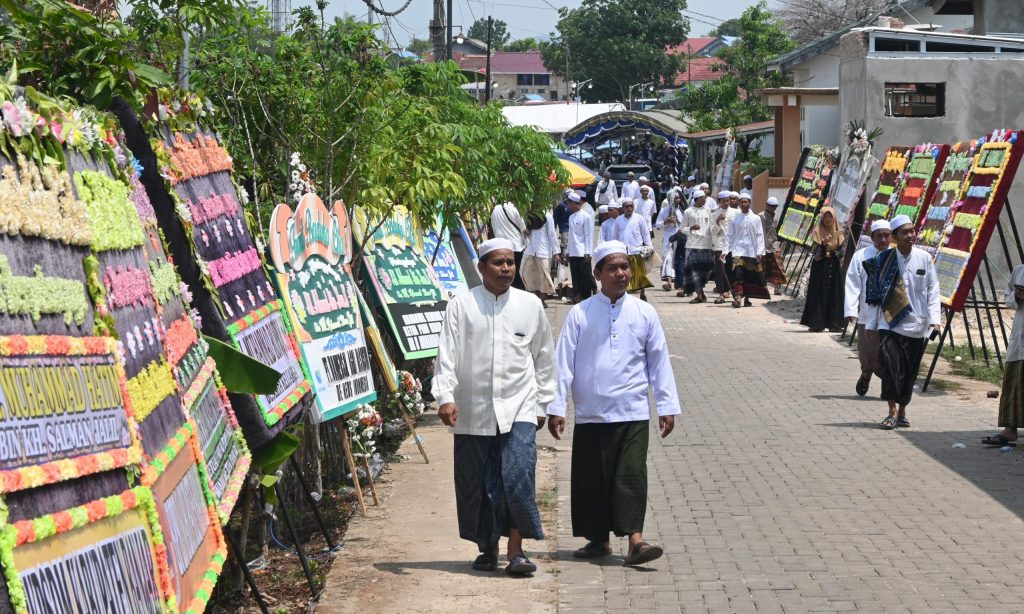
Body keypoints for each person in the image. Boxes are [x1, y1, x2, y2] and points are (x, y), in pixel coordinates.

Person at [547, 240, 681, 567]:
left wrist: (666, 406)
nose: (621, 274)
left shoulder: (645, 312)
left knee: (630, 475)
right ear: (597, 274)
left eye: (625, 267)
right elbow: (562, 363)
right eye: (613, 268)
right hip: (591, 412)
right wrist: (555, 407)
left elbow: (658, 361)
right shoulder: (580, 314)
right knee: (592, 479)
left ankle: (636, 541)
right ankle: (598, 541)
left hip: (632, 410)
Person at [432, 238, 556, 575]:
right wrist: (445, 396)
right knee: (479, 482)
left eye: (510, 263)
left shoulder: (530, 305)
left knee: (517, 475)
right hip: (472, 409)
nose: (506, 269)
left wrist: (544, 402)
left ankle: (516, 551)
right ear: (481, 267)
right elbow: (447, 354)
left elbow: (544, 357)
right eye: (498, 263)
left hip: (520, 406)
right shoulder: (461, 304)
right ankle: (487, 548)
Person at [863, 214, 940, 429]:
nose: (910, 235)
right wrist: (870, 324)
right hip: (889, 324)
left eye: (912, 231)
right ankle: (891, 412)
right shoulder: (883, 260)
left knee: (908, 372)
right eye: (905, 232)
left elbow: (933, 290)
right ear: (895, 237)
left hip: (916, 325)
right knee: (889, 366)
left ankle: (903, 411)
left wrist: (935, 320)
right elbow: (874, 296)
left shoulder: (924, 258)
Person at [844, 219, 891, 396]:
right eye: (880, 236)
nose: (884, 240)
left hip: (890, 315)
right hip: (867, 313)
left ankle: (888, 386)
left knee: (887, 351)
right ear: (872, 237)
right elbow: (853, 284)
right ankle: (866, 374)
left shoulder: (896, 256)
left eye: (887, 236)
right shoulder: (861, 256)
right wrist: (850, 309)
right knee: (867, 351)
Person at [983, 265, 1024, 447]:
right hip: (1020, 334)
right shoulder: (1020, 271)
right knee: (1015, 382)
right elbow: (1008, 296)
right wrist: (1016, 296)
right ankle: (1010, 430)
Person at [800, 207, 847, 332]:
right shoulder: (817, 231)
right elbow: (813, 251)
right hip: (820, 266)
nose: (828, 219)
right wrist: (823, 244)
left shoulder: (839, 232)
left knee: (835, 293)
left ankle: (834, 323)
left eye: (830, 216)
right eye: (825, 216)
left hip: (834, 265)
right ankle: (816, 323)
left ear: (834, 218)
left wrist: (834, 252)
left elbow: (842, 250)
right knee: (818, 292)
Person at [725, 192, 768, 308]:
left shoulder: (756, 218)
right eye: (742, 202)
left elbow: (759, 235)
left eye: (746, 202)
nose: (744, 204)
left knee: (749, 275)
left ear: (749, 203)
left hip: (751, 251)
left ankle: (747, 298)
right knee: (738, 274)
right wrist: (725, 251)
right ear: (739, 203)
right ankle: (738, 298)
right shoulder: (735, 218)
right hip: (738, 250)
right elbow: (729, 235)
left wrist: (760, 251)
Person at [615, 199, 654, 300]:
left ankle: (642, 293)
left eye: (631, 206)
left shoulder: (639, 218)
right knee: (625, 274)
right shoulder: (618, 220)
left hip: (637, 249)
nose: (629, 208)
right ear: (623, 208)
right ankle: (625, 295)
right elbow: (614, 236)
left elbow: (645, 233)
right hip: (624, 251)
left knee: (640, 273)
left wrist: (649, 246)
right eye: (627, 206)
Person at [680, 190, 714, 303]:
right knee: (694, 271)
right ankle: (699, 294)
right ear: (697, 199)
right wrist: (691, 228)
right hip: (692, 244)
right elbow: (682, 229)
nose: (705, 199)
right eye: (704, 197)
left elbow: (711, 227)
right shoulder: (688, 212)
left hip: (706, 244)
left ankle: (701, 293)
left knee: (706, 270)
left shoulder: (708, 210)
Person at [522, 210, 560, 307]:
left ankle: (542, 300)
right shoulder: (529, 215)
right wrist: (526, 233)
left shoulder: (547, 216)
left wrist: (556, 252)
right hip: (530, 250)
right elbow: (527, 233)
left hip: (543, 250)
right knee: (526, 273)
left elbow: (552, 234)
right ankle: (534, 297)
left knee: (544, 277)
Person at [566, 191, 596, 303]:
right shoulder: (571, 217)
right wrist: (568, 252)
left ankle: (587, 295)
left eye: (569, 203)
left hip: (583, 251)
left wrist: (588, 252)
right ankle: (577, 295)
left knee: (585, 275)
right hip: (573, 251)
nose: (568, 206)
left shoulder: (586, 216)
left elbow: (588, 235)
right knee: (575, 275)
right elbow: (570, 236)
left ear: (574, 203)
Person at [490, 201, 527, 290]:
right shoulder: (514, 208)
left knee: (505, 274)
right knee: (518, 275)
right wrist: (526, 243)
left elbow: (494, 228)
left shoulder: (494, 210)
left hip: (501, 247)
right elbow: (523, 228)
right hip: (516, 247)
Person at [710, 192, 738, 304]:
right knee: (720, 270)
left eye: (728, 200)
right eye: (724, 201)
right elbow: (712, 232)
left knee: (731, 268)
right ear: (719, 202)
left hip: (732, 245)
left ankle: (729, 290)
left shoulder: (736, 212)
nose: (726, 203)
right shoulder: (714, 214)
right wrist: (717, 221)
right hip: (720, 245)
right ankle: (721, 293)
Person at [656, 192, 684, 291]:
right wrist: (665, 222)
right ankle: (668, 282)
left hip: (679, 237)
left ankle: (678, 282)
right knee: (668, 258)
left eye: (678, 198)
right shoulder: (664, 210)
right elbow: (657, 224)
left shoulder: (682, 210)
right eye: (675, 198)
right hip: (668, 237)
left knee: (677, 259)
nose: (677, 200)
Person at [759, 196, 787, 295]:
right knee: (764, 266)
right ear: (767, 205)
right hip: (763, 244)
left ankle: (777, 287)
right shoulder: (761, 216)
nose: (773, 208)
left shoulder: (776, 216)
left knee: (778, 267)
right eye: (771, 206)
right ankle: (763, 287)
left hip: (774, 244)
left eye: (774, 206)